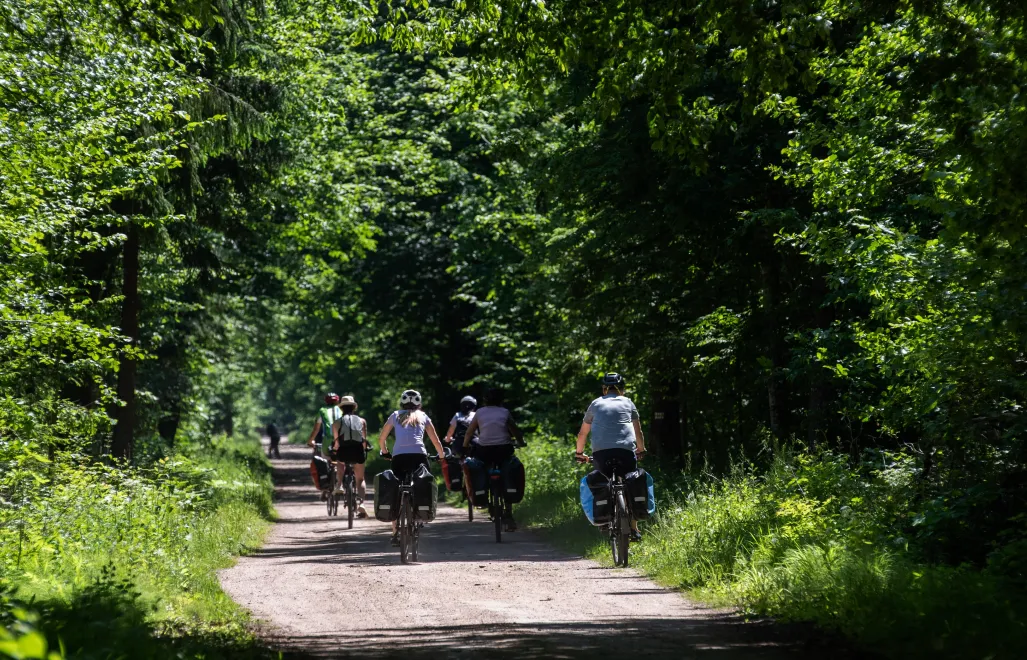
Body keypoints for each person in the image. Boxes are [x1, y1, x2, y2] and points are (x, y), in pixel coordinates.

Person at [575, 372, 647, 541]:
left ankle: (604, 519)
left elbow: (582, 433)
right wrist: (641, 449)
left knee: (602, 482)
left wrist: (579, 454)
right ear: (622, 389)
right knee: (631, 481)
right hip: (626, 452)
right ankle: (633, 528)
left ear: (604, 389)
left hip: (601, 454)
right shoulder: (628, 402)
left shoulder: (596, 403)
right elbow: (638, 431)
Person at [378, 389, 447, 546]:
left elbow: (382, 438)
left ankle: (395, 532)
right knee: (424, 483)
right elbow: (435, 441)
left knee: (395, 490)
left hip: (399, 457)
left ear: (402, 402)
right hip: (419, 456)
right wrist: (441, 456)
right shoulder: (424, 416)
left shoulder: (395, 415)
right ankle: (420, 514)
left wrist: (385, 452)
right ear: (419, 403)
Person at [463, 386, 523, 532]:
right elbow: (514, 430)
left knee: (483, 467)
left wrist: (465, 446)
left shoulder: (479, 412)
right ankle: (508, 513)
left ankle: (487, 499)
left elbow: (470, 432)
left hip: (485, 451)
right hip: (503, 450)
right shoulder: (505, 412)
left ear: (485, 400)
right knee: (507, 468)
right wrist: (520, 441)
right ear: (501, 400)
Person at [331, 395, 370, 517]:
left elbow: (337, 442)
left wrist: (334, 450)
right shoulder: (362, 421)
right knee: (360, 479)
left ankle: (339, 485)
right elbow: (364, 441)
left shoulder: (337, 423)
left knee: (340, 462)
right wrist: (365, 449)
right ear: (354, 407)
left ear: (341, 408)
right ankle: (362, 503)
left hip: (344, 451)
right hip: (357, 451)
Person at [307, 392, 343, 497]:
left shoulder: (322, 411)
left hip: (328, 442)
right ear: (337, 400)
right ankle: (342, 483)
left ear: (326, 401)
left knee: (326, 461)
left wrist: (310, 441)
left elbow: (316, 429)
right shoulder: (342, 410)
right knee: (342, 460)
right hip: (342, 441)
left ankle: (326, 489)